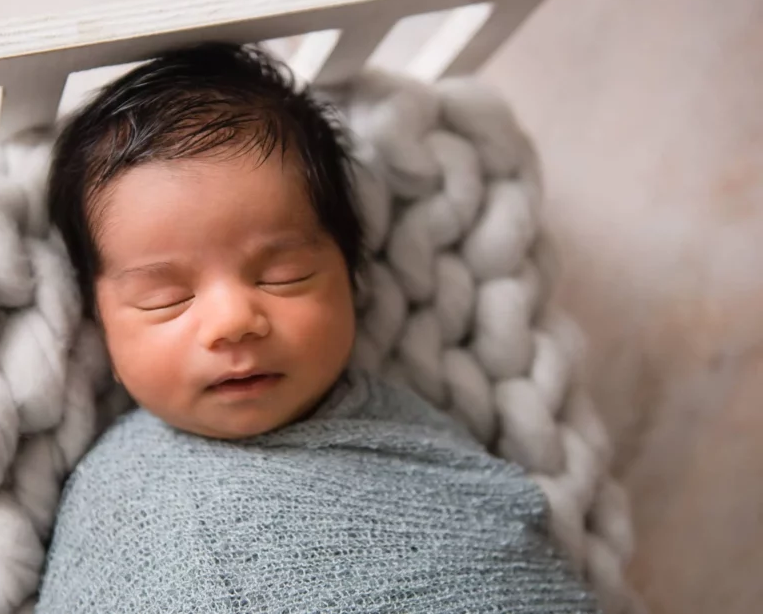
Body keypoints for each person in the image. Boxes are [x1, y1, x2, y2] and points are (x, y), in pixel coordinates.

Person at [37, 42, 598, 613]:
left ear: (350, 274)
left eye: (284, 275)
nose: (233, 323)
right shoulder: (122, 501)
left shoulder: (409, 437)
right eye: (167, 298)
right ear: (98, 320)